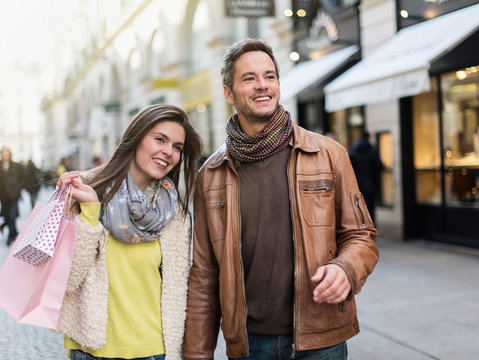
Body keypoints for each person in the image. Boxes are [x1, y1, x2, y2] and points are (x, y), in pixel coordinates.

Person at [183, 39, 379, 360]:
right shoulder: (211, 175)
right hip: (249, 344)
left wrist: (346, 268)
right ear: (228, 93)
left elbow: (361, 236)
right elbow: (204, 275)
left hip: (321, 339)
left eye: (270, 76)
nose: (263, 86)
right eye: (249, 78)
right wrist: (196, 354)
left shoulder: (328, 154)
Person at [54, 104, 202, 360]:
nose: (168, 152)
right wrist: (89, 213)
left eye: (177, 147)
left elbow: (177, 290)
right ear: (136, 137)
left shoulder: (173, 212)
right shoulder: (87, 190)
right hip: (90, 351)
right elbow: (67, 280)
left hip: (152, 351)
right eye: (159, 139)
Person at [348, 131, 382, 224]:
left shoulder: (353, 151)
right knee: (370, 208)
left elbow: (349, 167)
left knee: (359, 207)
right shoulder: (372, 150)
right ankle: (371, 227)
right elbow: (378, 166)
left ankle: (361, 226)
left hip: (357, 184)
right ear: (368, 138)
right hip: (370, 183)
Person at [0, 147, 25, 245]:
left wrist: (18, 188)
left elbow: (23, 178)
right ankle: (14, 232)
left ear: (10, 155)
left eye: (7, 154)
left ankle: (10, 237)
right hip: (3, 196)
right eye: (3, 154)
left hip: (14, 195)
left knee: (12, 215)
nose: (5, 156)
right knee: (7, 216)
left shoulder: (16, 166)